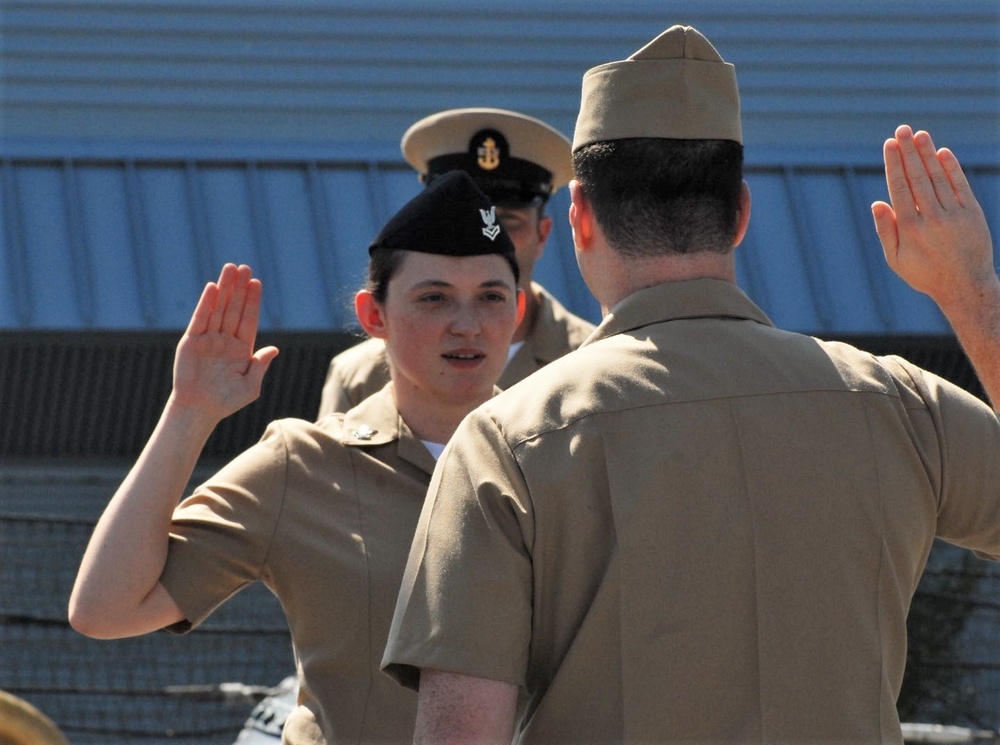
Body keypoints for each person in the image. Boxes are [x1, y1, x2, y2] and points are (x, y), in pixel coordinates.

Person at [381, 25, 1000, 744]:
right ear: (739, 214)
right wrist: (973, 296)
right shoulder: (900, 406)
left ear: (578, 218)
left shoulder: (505, 442)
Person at [68, 170, 525, 744]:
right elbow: (106, 608)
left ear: (519, 310)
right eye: (433, 298)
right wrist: (190, 412)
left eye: (491, 297)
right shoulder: (304, 463)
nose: (468, 323)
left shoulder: (560, 454)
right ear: (373, 316)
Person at [317, 107, 595, 417]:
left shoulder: (592, 361)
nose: (485, 239)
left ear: (542, 235)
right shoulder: (361, 376)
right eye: (458, 226)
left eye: (506, 221)